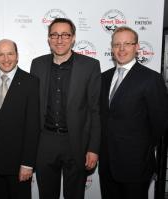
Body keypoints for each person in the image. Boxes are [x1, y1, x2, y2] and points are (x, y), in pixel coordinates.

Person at [30, 18, 101, 199]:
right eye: (54, 35)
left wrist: (93, 148)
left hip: (76, 142)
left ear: (73, 38)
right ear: (48, 38)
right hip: (45, 141)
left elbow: (95, 110)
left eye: (65, 35)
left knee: (75, 195)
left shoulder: (90, 66)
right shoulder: (37, 65)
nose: (59, 40)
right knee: (47, 194)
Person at [98, 26, 168, 199]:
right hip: (107, 163)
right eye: (117, 44)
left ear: (137, 47)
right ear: (112, 48)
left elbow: (160, 124)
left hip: (136, 165)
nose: (121, 49)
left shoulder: (151, 78)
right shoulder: (104, 77)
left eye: (127, 44)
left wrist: (139, 148)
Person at [0, 39, 40, 199]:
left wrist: (28, 163)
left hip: (19, 165)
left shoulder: (31, 82)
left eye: (10, 54)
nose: (6, 59)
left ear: (17, 56)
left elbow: (33, 126)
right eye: (1, 54)